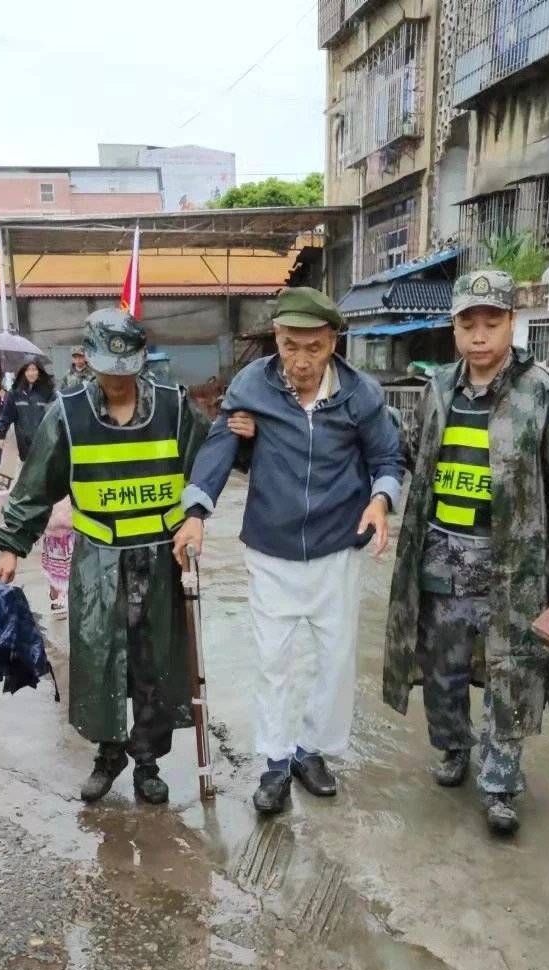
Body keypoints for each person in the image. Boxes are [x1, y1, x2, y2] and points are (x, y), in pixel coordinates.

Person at [382, 270, 549, 836]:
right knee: (442, 666)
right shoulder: (437, 387)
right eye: (468, 323)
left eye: (492, 322)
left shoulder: (544, 389)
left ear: (512, 323)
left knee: (513, 671)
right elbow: (413, 455)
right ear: (454, 328)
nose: (480, 335)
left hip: (511, 562)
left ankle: (501, 782)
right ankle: (454, 748)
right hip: (440, 554)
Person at [173, 286, 404, 816]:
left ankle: (310, 751)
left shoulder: (360, 394)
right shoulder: (253, 385)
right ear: (276, 338)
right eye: (289, 345)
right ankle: (275, 763)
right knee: (275, 661)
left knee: (333, 660)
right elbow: (220, 446)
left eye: (313, 348)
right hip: (272, 548)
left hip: (335, 548)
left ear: (333, 343)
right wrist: (195, 513)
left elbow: (388, 456)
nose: (299, 361)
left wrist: (380, 500)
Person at [0, 309, 231, 805]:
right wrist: (12, 544)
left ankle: (147, 761)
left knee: (153, 662)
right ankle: (109, 753)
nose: (117, 380)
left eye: (127, 370)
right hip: (99, 563)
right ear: (89, 362)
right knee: (101, 659)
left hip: (161, 563)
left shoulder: (173, 405)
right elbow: (35, 485)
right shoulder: (69, 412)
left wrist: (236, 438)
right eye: (107, 370)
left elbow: (207, 463)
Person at [0, 359, 55, 461]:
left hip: (44, 443)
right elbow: (6, 416)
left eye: (34, 370)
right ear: (23, 372)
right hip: (24, 445)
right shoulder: (15, 393)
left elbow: (55, 416)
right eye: (28, 370)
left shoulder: (48, 393)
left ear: (39, 372)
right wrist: (0, 435)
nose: (31, 373)